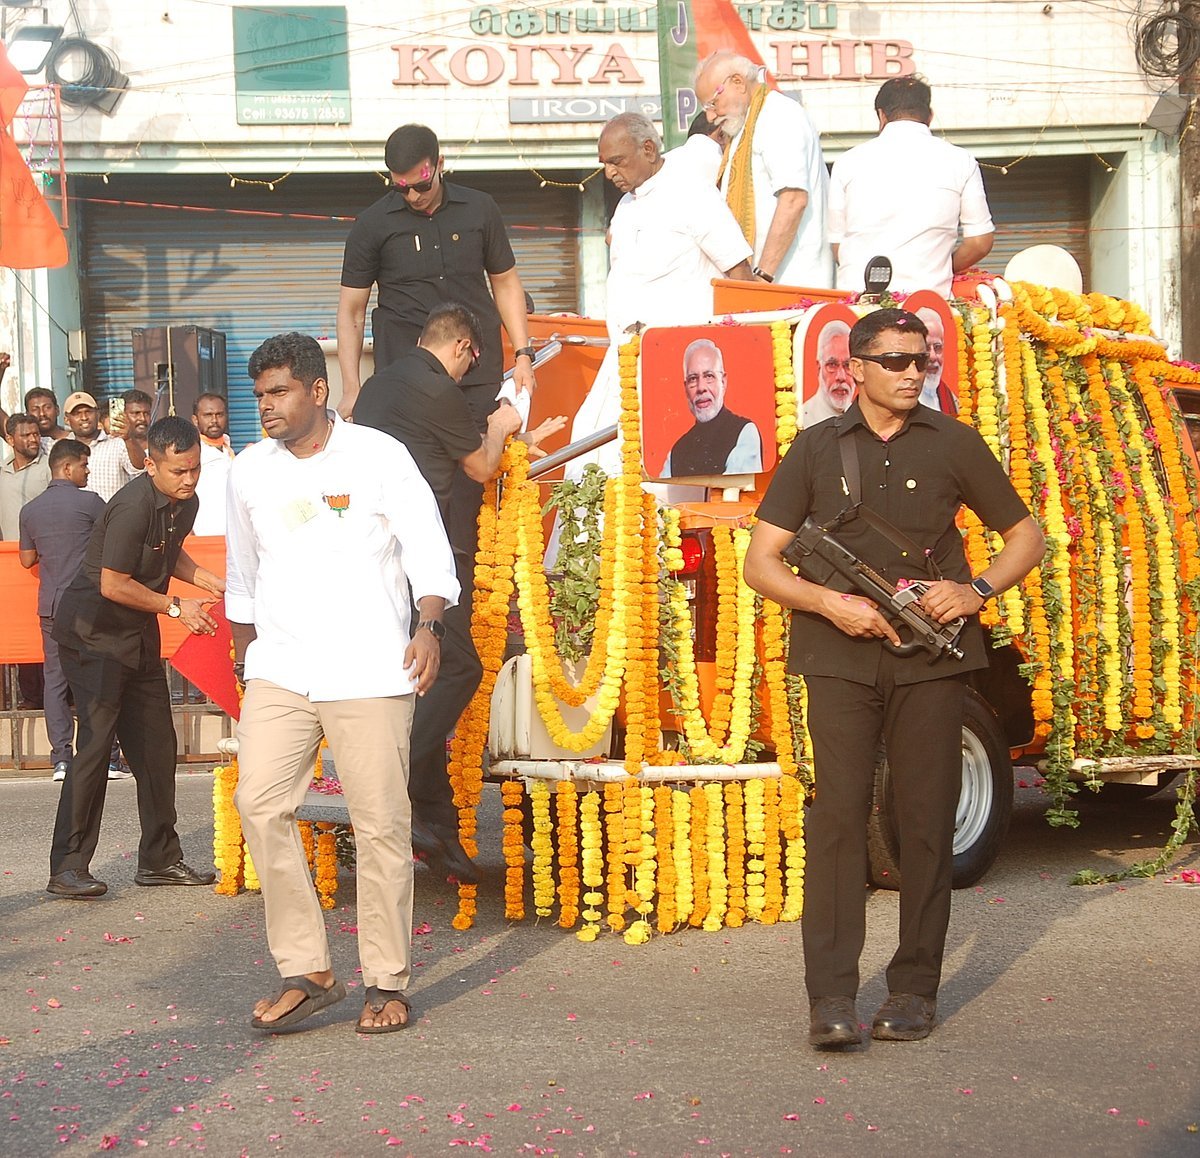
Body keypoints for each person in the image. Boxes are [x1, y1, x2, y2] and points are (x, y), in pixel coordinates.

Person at [744, 308, 1045, 1047]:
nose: (914, 373)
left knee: (924, 821)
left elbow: (1026, 535)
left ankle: (913, 989)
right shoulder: (816, 448)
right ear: (856, 369)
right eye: (897, 361)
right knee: (839, 820)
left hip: (933, 660)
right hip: (838, 657)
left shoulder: (954, 442)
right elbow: (761, 563)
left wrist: (976, 590)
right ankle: (831, 999)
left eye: (923, 360)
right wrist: (830, 604)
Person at [228, 332, 459, 1034]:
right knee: (258, 802)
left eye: (279, 391)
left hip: (369, 667)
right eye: (260, 394)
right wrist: (245, 663)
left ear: (318, 390)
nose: (267, 405)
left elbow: (427, 549)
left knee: (380, 824)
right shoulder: (249, 471)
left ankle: (386, 980)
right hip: (283, 669)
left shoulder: (379, 455)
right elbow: (243, 578)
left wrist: (429, 626)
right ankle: (309, 970)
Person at [354, 303, 566, 881]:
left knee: (418, 680)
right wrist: (500, 425)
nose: (469, 370)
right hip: (420, 550)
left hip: (373, 550)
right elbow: (478, 466)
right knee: (458, 667)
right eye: (472, 359)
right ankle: (391, 772)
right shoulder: (437, 389)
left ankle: (437, 827)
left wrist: (519, 436)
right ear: (464, 348)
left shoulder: (377, 388)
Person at [46, 416, 224, 899]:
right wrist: (176, 606)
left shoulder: (187, 502)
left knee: (157, 747)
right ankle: (68, 867)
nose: (189, 480)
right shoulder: (131, 505)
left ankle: (160, 860)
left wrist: (206, 579)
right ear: (150, 465)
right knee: (96, 747)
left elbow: (168, 552)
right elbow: (113, 583)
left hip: (137, 635)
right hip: (93, 636)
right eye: (178, 471)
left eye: (195, 469)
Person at [567, 112, 754, 480]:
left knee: (660, 474)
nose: (609, 173)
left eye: (617, 161)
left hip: (676, 363)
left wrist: (742, 353)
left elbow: (739, 275)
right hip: (624, 359)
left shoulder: (692, 193)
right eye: (604, 164)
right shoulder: (626, 206)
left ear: (649, 149)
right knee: (590, 456)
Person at [828, 76, 995, 298]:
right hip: (927, 303)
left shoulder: (847, 162)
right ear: (930, 116)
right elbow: (980, 242)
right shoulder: (961, 160)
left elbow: (837, 245)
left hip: (857, 303)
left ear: (881, 115)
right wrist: (943, 268)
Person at [695, 51, 832, 289]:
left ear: (738, 82)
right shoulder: (743, 127)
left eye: (712, 103)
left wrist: (762, 278)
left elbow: (793, 199)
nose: (710, 115)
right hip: (766, 285)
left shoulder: (779, 115)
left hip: (790, 283)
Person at [18, 440, 106, 782]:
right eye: (84, 465)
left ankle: (61, 760)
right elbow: (111, 542)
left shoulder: (31, 510)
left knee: (54, 680)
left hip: (51, 606)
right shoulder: (91, 503)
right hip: (88, 606)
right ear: (67, 468)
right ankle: (106, 757)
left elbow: (27, 559)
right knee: (95, 678)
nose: (88, 471)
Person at [661, 338, 762, 477]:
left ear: (723, 382)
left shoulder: (744, 433)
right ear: (685, 389)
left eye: (709, 376)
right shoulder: (676, 452)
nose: (701, 388)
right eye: (693, 379)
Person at [88, 390, 153, 502]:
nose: (142, 418)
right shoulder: (111, 444)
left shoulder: (158, 444)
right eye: (135, 413)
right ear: (122, 414)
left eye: (146, 413)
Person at [1, 413, 51, 538]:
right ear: (10, 440)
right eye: (26, 435)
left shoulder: (49, 468)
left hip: (40, 546)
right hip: (8, 547)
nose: (33, 439)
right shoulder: (2, 470)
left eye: (36, 434)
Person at [191, 392, 234, 536]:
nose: (214, 420)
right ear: (195, 420)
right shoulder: (192, 452)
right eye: (208, 415)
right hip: (204, 535)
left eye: (219, 414)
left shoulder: (227, 447)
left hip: (232, 535)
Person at [802, 321, 855, 427]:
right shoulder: (803, 418)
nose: (841, 377)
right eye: (832, 365)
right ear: (819, 368)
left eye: (847, 365)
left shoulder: (865, 418)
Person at [914, 307, 957, 414]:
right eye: (926, 348)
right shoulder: (901, 399)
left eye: (937, 347)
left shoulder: (952, 400)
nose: (933, 357)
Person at [24, 387, 68, 453]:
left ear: (57, 410)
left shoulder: (75, 438)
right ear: (27, 414)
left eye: (47, 407)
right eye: (35, 409)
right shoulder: (26, 446)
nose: (42, 414)